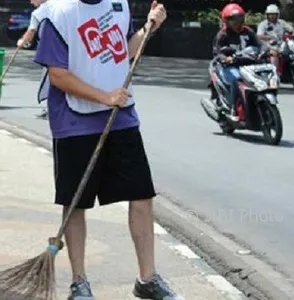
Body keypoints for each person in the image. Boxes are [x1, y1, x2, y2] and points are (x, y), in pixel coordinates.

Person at [34, 0, 184, 299]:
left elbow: (126, 49)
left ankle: (147, 278)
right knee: (76, 203)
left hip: (121, 117)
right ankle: (80, 282)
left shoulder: (119, 5)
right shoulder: (58, 13)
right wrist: (104, 97)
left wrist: (149, 27)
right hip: (74, 122)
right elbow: (58, 75)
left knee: (141, 195)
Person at [212, 3, 261, 121]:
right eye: (233, 20)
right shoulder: (222, 35)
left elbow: (259, 45)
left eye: (239, 18)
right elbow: (217, 53)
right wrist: (225, 58)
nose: (237, 22)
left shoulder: (248, 32)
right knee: (237, 79)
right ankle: (234, 107)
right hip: (228, 66)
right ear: (226, 21)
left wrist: (268, 50)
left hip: (247, 64)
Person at [16, 0, 50, 119]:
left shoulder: (38, 13)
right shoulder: (61, 6)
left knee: (51, 80)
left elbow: (31, 32)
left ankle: (51, 108)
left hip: (49, 51)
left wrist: (22, 42)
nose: (30, 1)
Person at [257, 4, 294, 72]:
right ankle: (275, 72)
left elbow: (291, 30)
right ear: (267, 15)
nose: (272, 16)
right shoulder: (263, 24)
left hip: (281, 44)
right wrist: (269, 37)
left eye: (274, 14)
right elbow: (259, 36)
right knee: (274, 51)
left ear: (277, 15)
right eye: (270, 14)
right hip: (268, 46)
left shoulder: (282, 22)